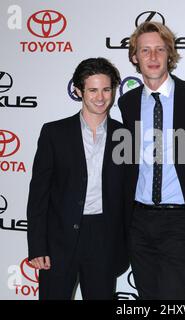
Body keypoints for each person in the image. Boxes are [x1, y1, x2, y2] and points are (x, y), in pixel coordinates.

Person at [118, 21, 185, 299]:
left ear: (169, 54)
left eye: (159, 49)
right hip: (138, 220)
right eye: (145, 50)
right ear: (134, 57)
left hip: (180, 220)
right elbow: (128, 162)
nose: (152, 57)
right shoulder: (127, 103)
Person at [27, 57, 128, 300]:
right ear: (78, 90)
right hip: (58, 240)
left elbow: (129, 192)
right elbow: (38, 194)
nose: (101, 97)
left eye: (106, 89)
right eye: (92, 90)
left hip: (104, 239)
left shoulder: (125, 135)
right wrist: (37, 246)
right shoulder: (54, 133)